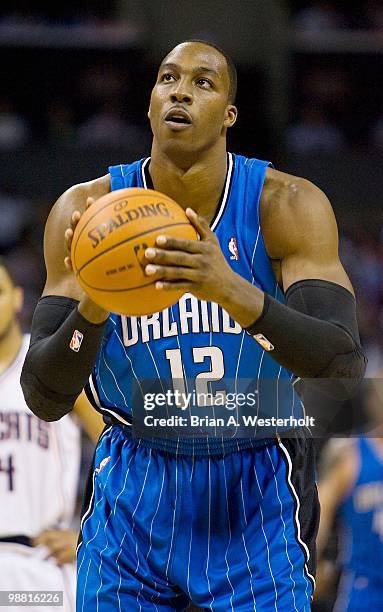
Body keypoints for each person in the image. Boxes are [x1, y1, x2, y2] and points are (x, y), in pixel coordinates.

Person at [20, 40, 366, 610]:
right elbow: (43, 393)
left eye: (203, 82)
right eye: (167, 78)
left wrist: (227, 287)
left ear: (230, 113)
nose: (180, 89)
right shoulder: (84, 211)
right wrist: (96, 301)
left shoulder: (285, 207)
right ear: (151, 105)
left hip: (255, 482)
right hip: (136, 482)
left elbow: (343, 369)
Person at [0, 258, 104, 612]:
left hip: (40, 565)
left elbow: (116, 445)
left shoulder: (48, 364)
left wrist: (87, 533)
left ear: (16, 298)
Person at [316, 380, 383, 611]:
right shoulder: (349, 453)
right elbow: (317, 515)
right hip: (364, 588)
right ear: (371, 401)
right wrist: (312, 567)